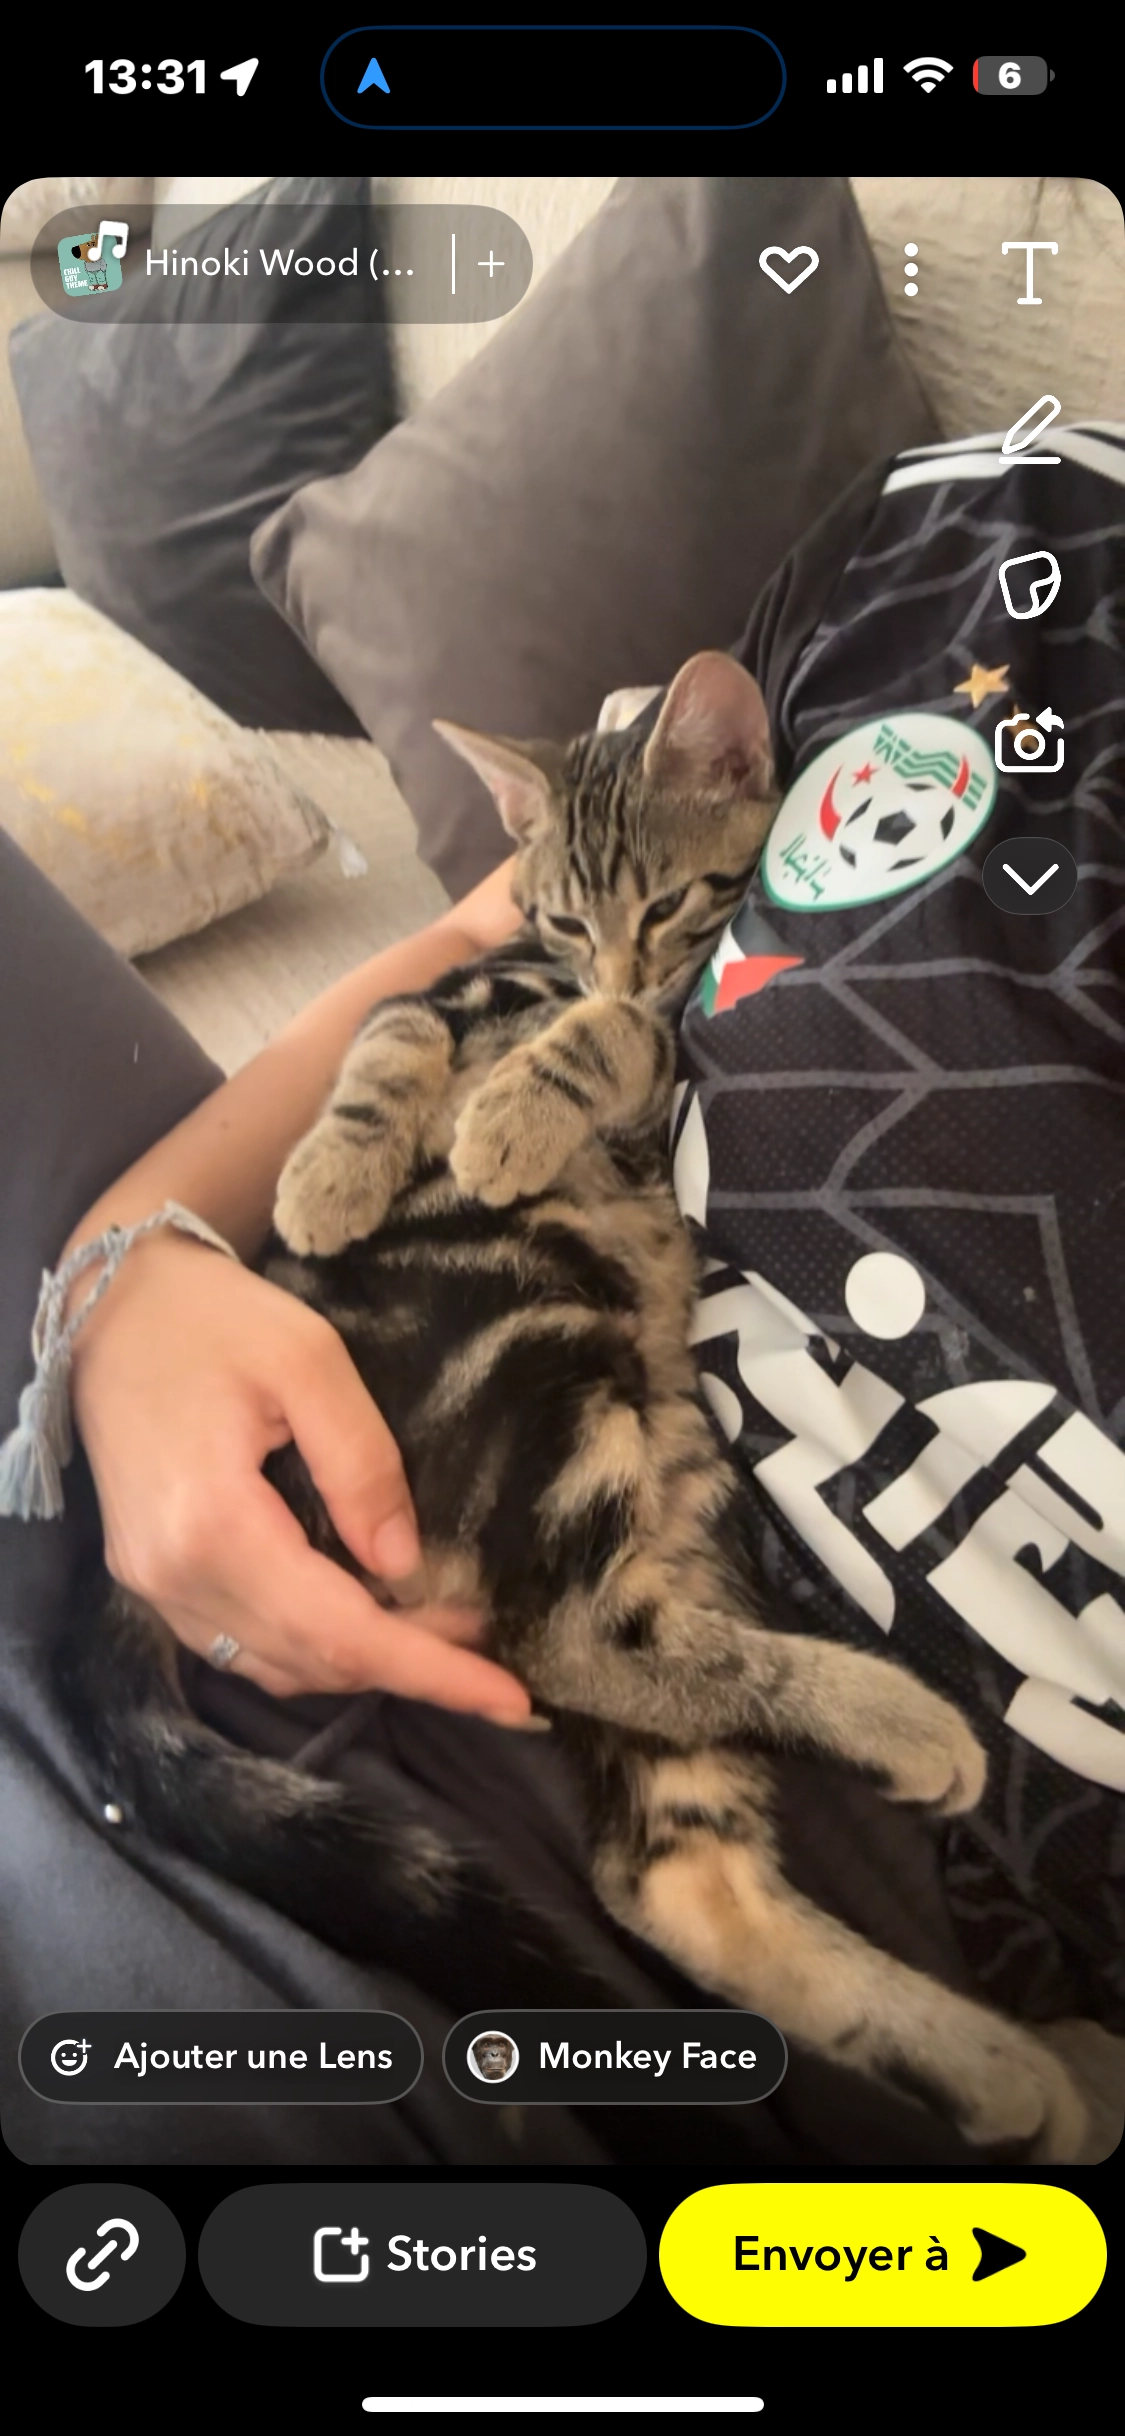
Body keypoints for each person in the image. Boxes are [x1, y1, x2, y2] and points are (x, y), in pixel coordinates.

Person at [3, 423, 1122, 2169]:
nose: (620, 962)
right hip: (300, 1486)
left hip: (575, 1687)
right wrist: (115, 1288)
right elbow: (479, 946)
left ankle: (718, 1890)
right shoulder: (956, 564)